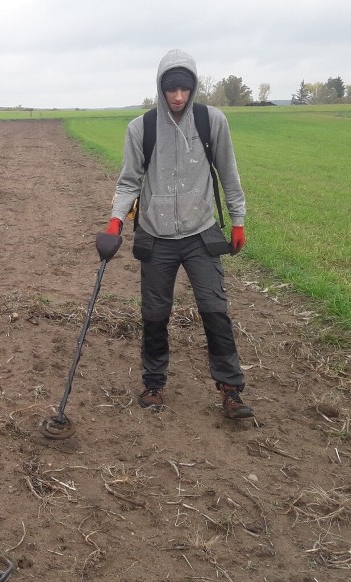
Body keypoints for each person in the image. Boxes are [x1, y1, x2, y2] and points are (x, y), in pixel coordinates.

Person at [103, 49, 254, 420]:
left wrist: (238, 221)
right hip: (156, 237)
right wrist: (114, 223)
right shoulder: (141, 128)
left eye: (185, 89)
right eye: (172, 89)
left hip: (201, 233)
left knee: (215, 310)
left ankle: (231, 388)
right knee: (155, 315)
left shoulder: (211, 121)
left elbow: (229, 174)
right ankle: (154, 382)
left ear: (193, 87)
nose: (179, 97)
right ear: (161, 88)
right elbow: (128, 181)